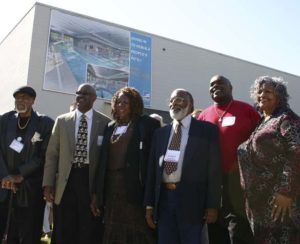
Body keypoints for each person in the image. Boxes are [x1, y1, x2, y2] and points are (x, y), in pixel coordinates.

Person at [144, 88, 222, 244]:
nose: (174, 103)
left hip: (193, 202)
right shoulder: (160, 133)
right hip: (165, 200)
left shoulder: (207, 131)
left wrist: (212, 205)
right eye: (172, 101)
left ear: (191, 105)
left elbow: (214, 171)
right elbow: (152, 171)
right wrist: (149, 205)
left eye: (179, 99)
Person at [91, 87, 160, 244]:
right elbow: (102, 163)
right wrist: (97, 193)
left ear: (134, 104)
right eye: (118, 102)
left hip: (134, 188)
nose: (121, 105)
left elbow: (152, 161)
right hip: (111, 187)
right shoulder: (110, 127)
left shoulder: (147, 124)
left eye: (125, 102)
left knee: (136, 229)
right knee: (113, 228)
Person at [42, 83, 110, 244]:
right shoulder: (62, 121)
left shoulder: (105, 123)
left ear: (94, 98)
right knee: (64, 225)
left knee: (87, 226)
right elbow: (52, 155)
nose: (80, 96)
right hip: (66, 178)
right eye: (78, 93)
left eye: (85, 93)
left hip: (89, 179)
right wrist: (47, 184)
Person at [198, 75, 260, 244]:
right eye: (212, 85)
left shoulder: (246, 110)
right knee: (215, 225)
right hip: (212, 181)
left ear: (231, 87)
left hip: (239, 179)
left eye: (220, 83)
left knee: (238, 227)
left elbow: (261, 139)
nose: (215, 87)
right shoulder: (203, 115)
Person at [237, 76, 300, 243]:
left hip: (278, 202)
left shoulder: (286, 119)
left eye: (268, 91)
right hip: (259, 202)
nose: (262, 94)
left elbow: (296, 153)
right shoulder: (263, 121)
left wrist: (286, 191)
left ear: (279, 96)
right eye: (260, 91)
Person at [0, 86, 54, 243]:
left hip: (30, 188)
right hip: (4, 186)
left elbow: (43, 156)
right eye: (17, 98)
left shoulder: (45, 123)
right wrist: (6, 177)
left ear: (33, 101)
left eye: (25, 98)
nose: (20, 101)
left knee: (27, 232)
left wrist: (20, 175)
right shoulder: (4, 120)